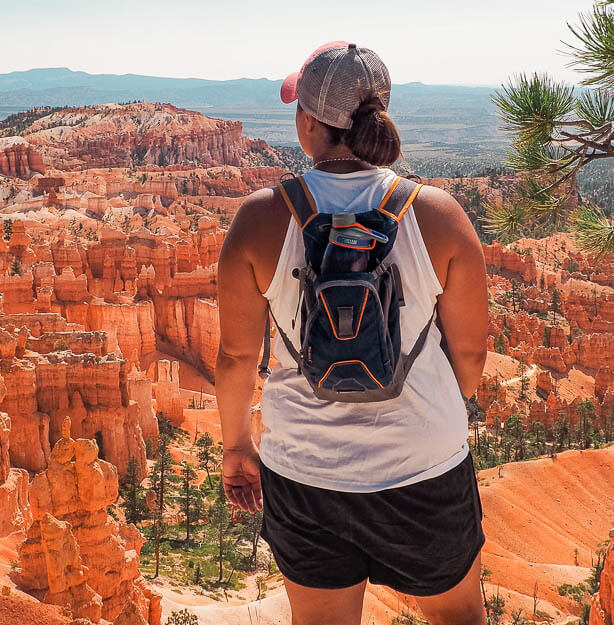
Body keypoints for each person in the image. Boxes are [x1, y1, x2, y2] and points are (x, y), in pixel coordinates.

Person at [215, 42, 489, 625]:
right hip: (424, 468)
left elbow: (237, 356)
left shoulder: (261, 218)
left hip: (305, 473)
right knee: (458, 618)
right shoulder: (437, 214)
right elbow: (469, 353)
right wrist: (435, 408)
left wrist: (238, 449)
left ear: (308, 122)